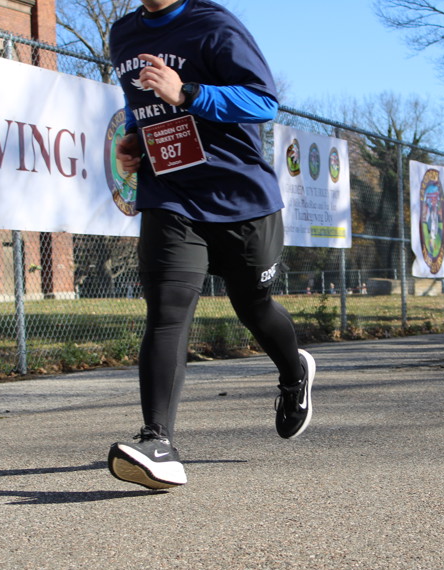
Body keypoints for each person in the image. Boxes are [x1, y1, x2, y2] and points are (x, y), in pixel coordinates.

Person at [106, 0, 316, 489]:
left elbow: (263, 102)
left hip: (240, 200)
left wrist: (187, 93)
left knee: (253, 307)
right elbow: (141, 103)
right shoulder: (123, 35)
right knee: (167, 313)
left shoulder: (213, 25)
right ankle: (157, 442)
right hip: (170, 196)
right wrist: (136, 136)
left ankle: (294, 373)